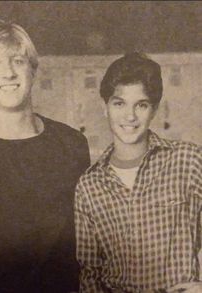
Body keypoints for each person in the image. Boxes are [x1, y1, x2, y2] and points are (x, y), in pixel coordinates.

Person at [0, 19, 90, 293]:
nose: (8, 72)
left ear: (33, 71)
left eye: (18, 61)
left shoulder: (71, 144)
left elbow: (92, 238)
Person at [74, 52, 202, 293]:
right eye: (119, 103)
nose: (130, 116)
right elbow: (89, 273)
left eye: (141, 105)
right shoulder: (89, 186)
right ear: (105, 108)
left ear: (153, 110)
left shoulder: (188, 160)